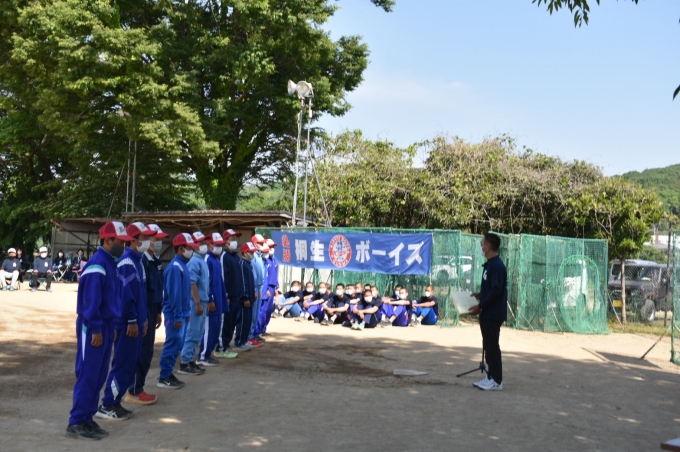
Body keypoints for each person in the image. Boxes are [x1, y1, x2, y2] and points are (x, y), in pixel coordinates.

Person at [66, 221, 132, 440]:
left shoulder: (111, 262)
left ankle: (87, 418)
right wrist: (95, 328)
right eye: (120, 241)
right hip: (93, 325)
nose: (123, 246)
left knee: (99, 374)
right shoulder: (98, 264)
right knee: (88, 373)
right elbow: (90, 301)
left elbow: (111, 298)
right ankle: (76, 422)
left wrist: (112, 325)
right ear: (108, 240)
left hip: (106, 324)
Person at [97, 222, 156, 421]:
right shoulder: (127, 263)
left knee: (130, 364)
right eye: (144, 238)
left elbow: (140, 295)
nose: (147, 241)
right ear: (134, 240)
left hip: (136, 323)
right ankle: (108, 403)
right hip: (127, 325)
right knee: (122, 364)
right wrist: (132, 320)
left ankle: (116, 401)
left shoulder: (138, 261)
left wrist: (143, 320)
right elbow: (125, 296)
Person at [126, 224, 169, 405]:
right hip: (144, 309)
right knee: (142, 350)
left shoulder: (156, 259)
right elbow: (141, 291)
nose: (158, 242)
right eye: (155, 239)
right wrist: (142, 316)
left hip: (152, 308)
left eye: (160, 239)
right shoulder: (142, 260)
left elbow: (158, 287)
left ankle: (139, 387)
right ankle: (134, 389)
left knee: (148, 350)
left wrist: (158, 311)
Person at [158, 233, 199, 389]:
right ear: (181, 249)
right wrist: (178, 315)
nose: (192, 251)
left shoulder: (182, 265)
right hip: (175, 315)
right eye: (189, 248)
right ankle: (164, 376)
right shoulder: (176, 267)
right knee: (172, 344)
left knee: (178, 344)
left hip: (181, 314)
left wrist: (185, 313)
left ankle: (168, 373)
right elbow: (175, 294)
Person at [468, 232, 508, 392]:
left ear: (488, 246)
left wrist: (481, 305)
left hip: (493, 313)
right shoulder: (490, 264)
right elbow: (491, 288)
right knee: (488, 345)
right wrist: (481, 295)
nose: (481, 246)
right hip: (488, 313)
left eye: (482, 243)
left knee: (492, 346)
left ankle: (497, 381)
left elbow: (497, 290)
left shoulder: (497, 266)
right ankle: (490, 376)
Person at [178, 232, 211, 375]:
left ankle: (190, 360)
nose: (203, 245)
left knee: (197, 333)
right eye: (200, 242)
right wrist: (197, 302)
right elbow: (192, 283)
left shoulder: (201, 261)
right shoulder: (194, 262)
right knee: (192, 333)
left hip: (201, 302)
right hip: (195, 303)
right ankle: (185, 363)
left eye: (204, 242)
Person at [202, 232, 236, 360]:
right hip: (211, 303)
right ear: (209, 245)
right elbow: (206, 282)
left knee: (215, 331)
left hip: (219, 302)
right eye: (216, 245)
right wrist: (210, 299)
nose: (219, 247)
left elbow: (220, 282)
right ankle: (203, 356)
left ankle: (208, 354)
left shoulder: (216, 260)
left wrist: (223, 298)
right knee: (209, 330)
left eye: (220, 244)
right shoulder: (208, 259)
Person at [218, 229, 247, 355]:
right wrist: (226, 295)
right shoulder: (224, 257)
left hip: (236, 296)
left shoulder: (235, 257)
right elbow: (223, 277)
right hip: (229, 297)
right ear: (225, 242)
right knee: (226, 322)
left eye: (236, 239)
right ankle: (221, 348)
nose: (235, 241)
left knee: (232, 323)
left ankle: (226, 346)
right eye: (232, 239)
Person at [233, 242, 257, 351]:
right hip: (244, 300)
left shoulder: (248, 264)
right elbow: (243, 283)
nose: (252, 254)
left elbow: (250, 282)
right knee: (242, 321)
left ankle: (243, 341)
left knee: (247, 321)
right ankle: (238, 342)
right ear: (245, 253)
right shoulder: (242, 264)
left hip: (250, 298)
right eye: (251, 252)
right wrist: (246, 297)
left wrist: (253, 294)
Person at [256, 238, 279, 338]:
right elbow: (265, 276)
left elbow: (275, 274)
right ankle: (259, 330)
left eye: (273, 246)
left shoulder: (274, 259)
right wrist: (266, 289)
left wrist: (276, 286)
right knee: (263, 310)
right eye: (270, 246)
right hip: (267, 287)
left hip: (273, 287)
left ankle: (264, 328)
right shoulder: (265, 260)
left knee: (269, 310)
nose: (272, 248)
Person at [247, 234, 266, 347]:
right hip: (254, 287)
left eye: (263, 243)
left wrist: (261, 288)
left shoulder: (259, 256)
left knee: (256, 314)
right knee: (252, 314)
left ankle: (253, 335)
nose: (262, 245)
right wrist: (254, 289)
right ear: (254, 244)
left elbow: (261, 274)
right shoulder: (253, 256)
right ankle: (249, 337)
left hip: (259, 287)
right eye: (260, 243)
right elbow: (253, 274)